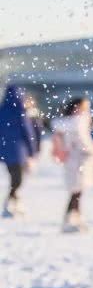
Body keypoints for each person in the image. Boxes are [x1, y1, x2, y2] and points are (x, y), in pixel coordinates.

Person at [52, 97, 93, 232]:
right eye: (84, 107)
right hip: (77, 160)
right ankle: (70, 219)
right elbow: (84, 142)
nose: (86, 110)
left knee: (77, 191)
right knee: (76, 191)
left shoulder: (68, 122)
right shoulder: (77, 121)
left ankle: (75, 218)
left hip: (76, 159)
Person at [0, 85, 38, 218]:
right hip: (19, 151)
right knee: (18, 179)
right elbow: (28, 133)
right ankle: (10, 202)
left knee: (14, 177)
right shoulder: (20, 111)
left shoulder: (2, 110)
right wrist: (32, 151)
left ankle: (14, 202)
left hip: (5, 150)